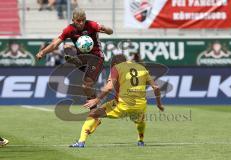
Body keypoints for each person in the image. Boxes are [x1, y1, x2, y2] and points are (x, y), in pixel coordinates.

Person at [36, 8, 113, 140]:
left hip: (96, 57)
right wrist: (43, 52)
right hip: (83, 56)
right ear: (73, 20)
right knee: (66, 47)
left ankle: (94, 114)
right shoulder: (69, 29)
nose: (81, 23)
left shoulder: (92, 25)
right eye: (78, 21)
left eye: (83, 20)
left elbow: (111, 32)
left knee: (86, 86)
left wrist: (106, 29)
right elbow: (55, 43)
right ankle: (95, 114)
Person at [69, 54, 164, 148]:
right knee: (140, 121)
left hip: (122, 104)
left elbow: (109, 87)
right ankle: (140, 141)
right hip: (140, 105)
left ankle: (81, 142)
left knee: (93, 114)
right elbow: (156, 87)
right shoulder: (142, 68)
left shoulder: (116, 68)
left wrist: (97, 100)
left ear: (114, 63)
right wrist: (159, 104)